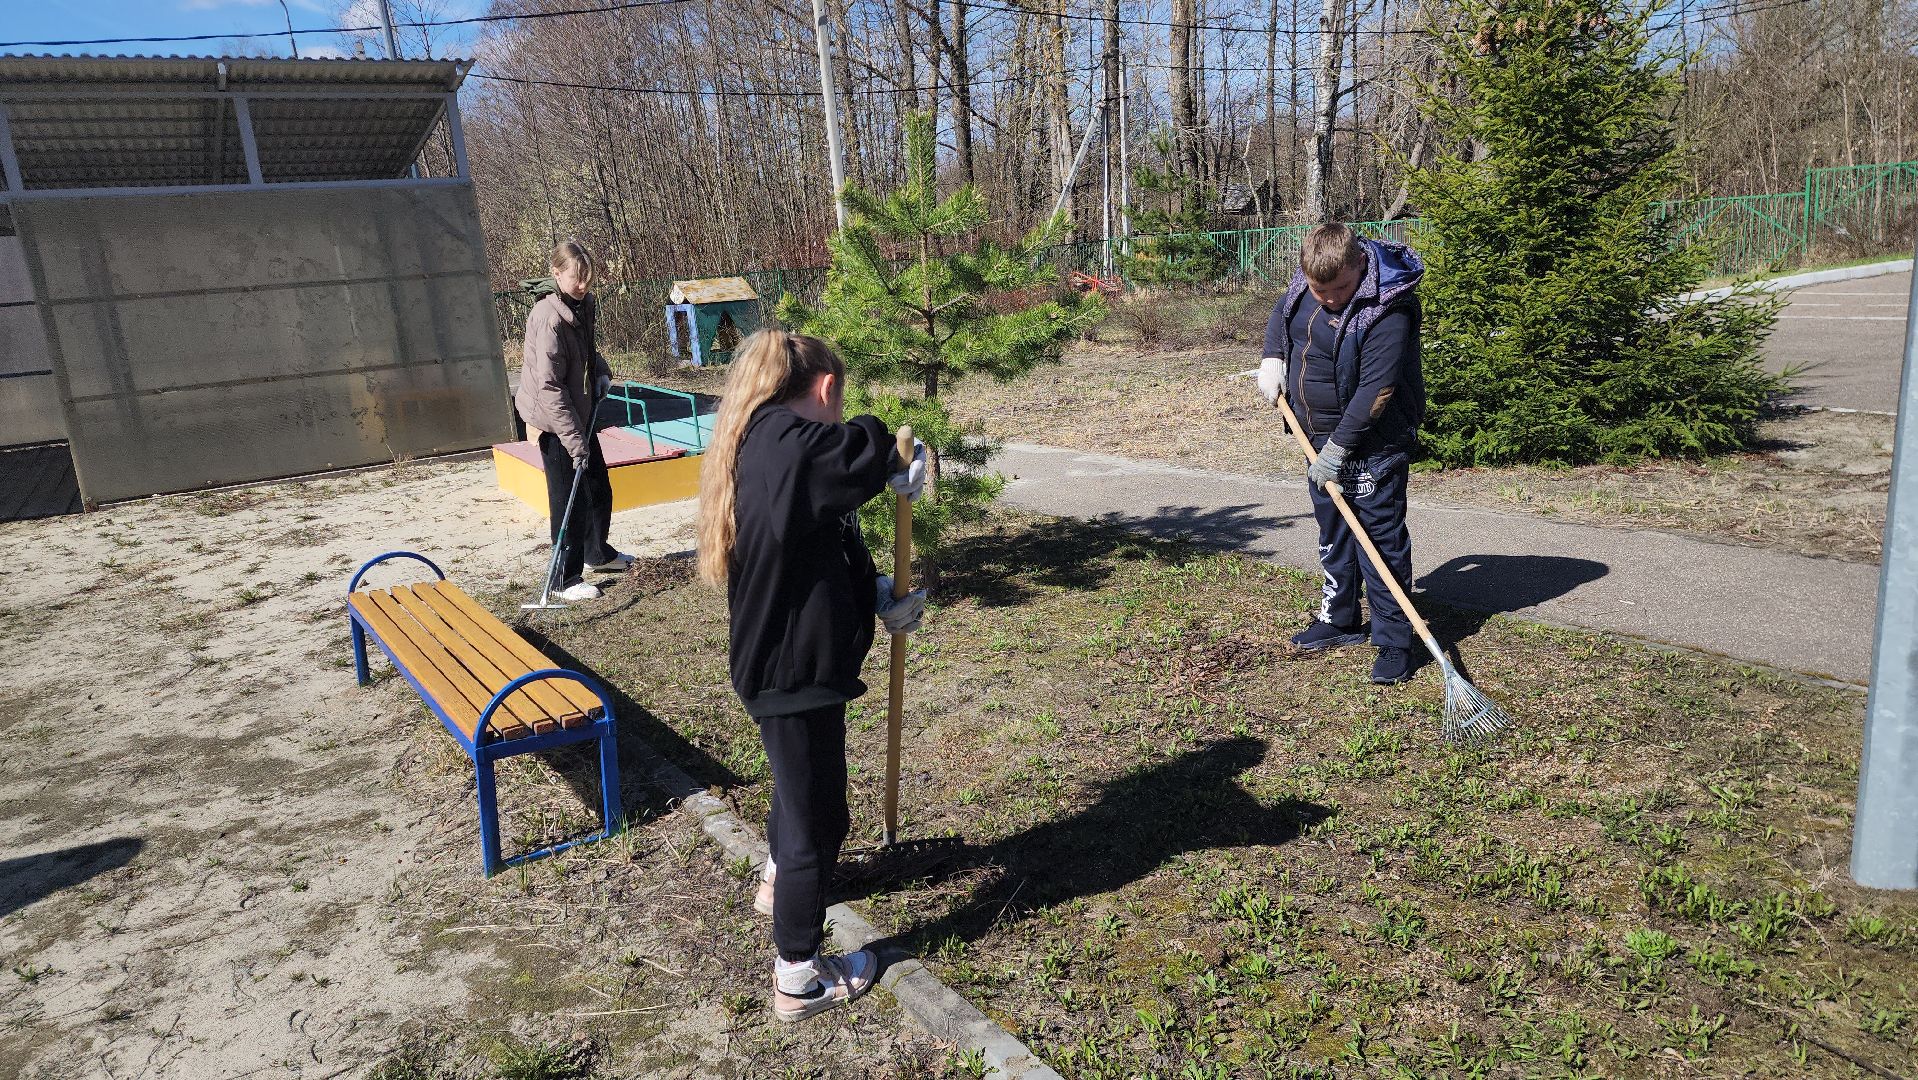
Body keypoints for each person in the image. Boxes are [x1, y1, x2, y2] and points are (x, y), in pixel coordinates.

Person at [695, 329, 927, 1021]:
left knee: (798, 798)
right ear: (825, 390)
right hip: (790, 672)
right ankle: (798, 973)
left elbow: (824, 546)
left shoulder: (769, 444)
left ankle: (776, 880)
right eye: (840, 399)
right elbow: (855, 448)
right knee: (817, 822)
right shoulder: (787, 445)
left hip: (790, 663)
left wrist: (878, 593)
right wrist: (888, 453)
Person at [1256, 223, 1427, 685]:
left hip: (1373, 441)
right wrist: (1273, 357)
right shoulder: (1310, 279)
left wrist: (1337, 451)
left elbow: (1377, 389)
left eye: (1341, 289)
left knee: (1378, 538)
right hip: (1314, 435)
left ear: (1359, 266)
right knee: (1334, 530)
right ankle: (1341, 619)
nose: (1329, 298)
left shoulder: (1388, 307)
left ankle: (1394, 641)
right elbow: (1283, 312)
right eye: (1319, 289)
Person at [514, 240, 633, 602]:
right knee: (568, 498)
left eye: (587, 277)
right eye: (575, 277)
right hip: (553, 421)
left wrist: (600, 371)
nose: (583, 284)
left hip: (579, 411)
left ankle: (598, 553)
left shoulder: (580, 305)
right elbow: (549, 388)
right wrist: (575, 443)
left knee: (598, 486)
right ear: (556, 273)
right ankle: (564, 579)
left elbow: (586, 351)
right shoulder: (549, 318)